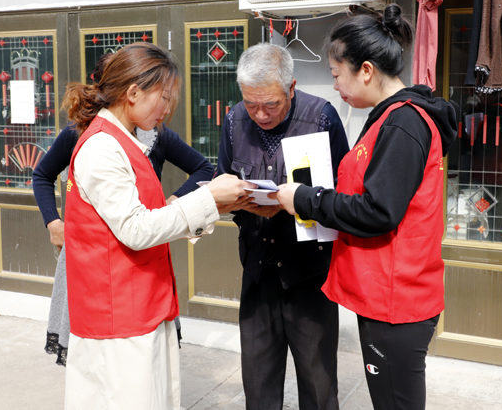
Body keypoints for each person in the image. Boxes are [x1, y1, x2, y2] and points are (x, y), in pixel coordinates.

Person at [275, 4, 458, 410]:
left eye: (336, 73)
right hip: (387, 292)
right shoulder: (390, 118)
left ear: (367, 71)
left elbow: (378, 211)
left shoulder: (403, 123)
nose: (334, 84)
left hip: (396, 299)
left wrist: (304, 198)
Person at [60, 42, 248, 410]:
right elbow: (136, 229)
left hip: (139, 303)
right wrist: (208, 199)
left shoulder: (123, 139)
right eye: (163, 97)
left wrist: (210, 203)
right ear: (133, 93)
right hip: (117, 316)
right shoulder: (102, 147)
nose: (167, 109)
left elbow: (145, 217)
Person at [36, 52, 214, 366]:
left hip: (140, 252)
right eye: (163, 97)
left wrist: (172, 203)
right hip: (94, 254)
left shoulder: (153, 133)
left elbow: (203, 168)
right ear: (126, 91)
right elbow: (42, 175)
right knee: (100, 350)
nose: (166, 109)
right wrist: (53, 222)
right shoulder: (92, 139)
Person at [216, 43, 349, 410]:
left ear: (291, 87)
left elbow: (343, 193)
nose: (260, 114)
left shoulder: (321, 118)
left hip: (310, 275)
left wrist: (296, 202)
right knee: (258, 384)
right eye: (251, 104)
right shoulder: (234, 120)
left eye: (271, 104)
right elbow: (222, 179)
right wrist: (237, 200)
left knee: (318, 385)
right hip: (258, 272)